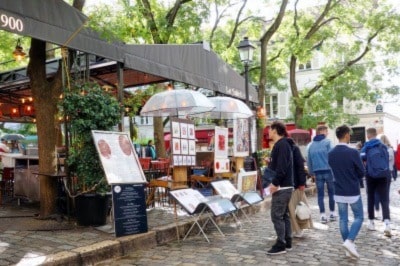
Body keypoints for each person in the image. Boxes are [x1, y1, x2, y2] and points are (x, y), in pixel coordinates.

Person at [328, 125, 365, 259]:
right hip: (352, 190)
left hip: (338, 189)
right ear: (346, 135)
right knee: (359, 217)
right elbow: (362, 172)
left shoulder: (331, 153)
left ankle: (347, 246)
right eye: (349, 134)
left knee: (343, 219)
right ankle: (349, 242)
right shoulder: (353, 152)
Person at [266, 121, 294, 255]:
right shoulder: (283, 145)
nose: (268, 132)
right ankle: (287, 241)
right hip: (286, 185)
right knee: (284, 215)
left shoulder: (282, 145)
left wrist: (275, 183)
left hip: (282, 186)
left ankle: (281, 244)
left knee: (276, 215)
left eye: (270, 129)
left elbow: (282, 167)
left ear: (275, 130)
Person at [360, 128, 391, 237]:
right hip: (383, 175)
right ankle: (387, 223)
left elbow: (361, 158)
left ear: (368, 135)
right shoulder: (383, 146)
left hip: (370, 175)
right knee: (384, 199)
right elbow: (387, 159)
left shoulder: (366, 147)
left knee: (371, 198)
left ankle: (371, 222)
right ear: (376, 134)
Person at [307, 125, 336, 223]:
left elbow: (309, 160)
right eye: (326, 131)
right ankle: (332, 213)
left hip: (317, 172)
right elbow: (333, 156)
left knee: (320, 195)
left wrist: (311, 172)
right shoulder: (328, 143)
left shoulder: (311, 145)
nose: (327, 133)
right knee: (331, 193)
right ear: (322, 132)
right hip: (328, 170)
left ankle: (323, 215)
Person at [287, 138, 313, 238]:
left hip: (296, 184)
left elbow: (300, 167)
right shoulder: (291, 149)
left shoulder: (294, 149)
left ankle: (298, 230)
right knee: (294, 209)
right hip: (293, 184)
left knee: (296, 208)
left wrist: (301, 183)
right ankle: (296, 229)